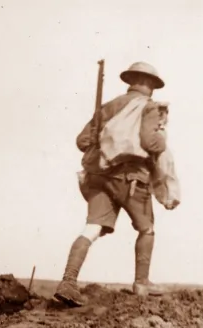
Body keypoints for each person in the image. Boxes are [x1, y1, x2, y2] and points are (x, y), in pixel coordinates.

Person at [54, 62, 169, 307]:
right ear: (149, 84)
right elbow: (150, 143)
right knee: (146, 229)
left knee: (92, 228)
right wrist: (162, 140)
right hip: (132, 179)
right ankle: (141, 283)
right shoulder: (149, 108)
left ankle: (68, 281)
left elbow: (82, 141)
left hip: (98, 176)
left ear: (131, 81)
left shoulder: (108, 107)